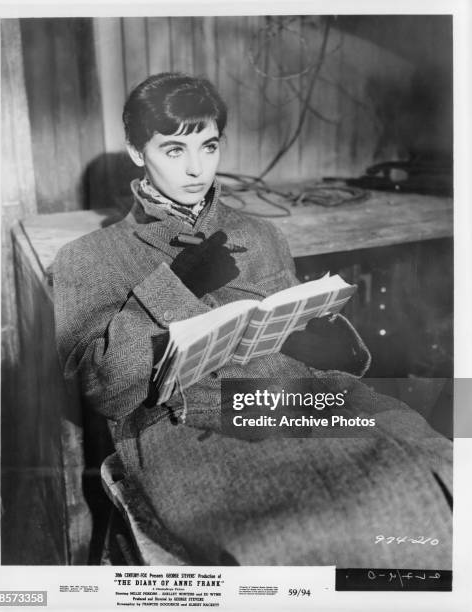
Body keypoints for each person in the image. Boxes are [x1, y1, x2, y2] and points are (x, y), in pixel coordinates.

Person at [53, 72, 452, 567]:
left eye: (209, 145)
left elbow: (300, 330)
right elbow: (104, 391)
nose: (197, 168)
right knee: (293, 537)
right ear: (138, 152)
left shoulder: (259, 234)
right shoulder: (88, 258)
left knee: (439, 475)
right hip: (192, 429)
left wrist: (323, 340)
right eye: (174, 150)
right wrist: (176, 285)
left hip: (307, 398)